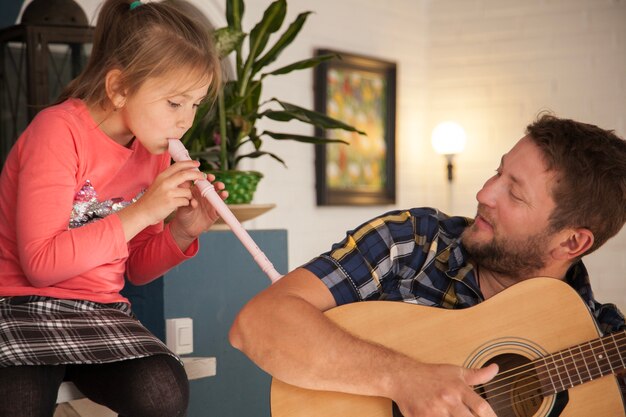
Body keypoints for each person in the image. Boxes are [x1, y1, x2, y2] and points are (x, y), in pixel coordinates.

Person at [229, 114, 626, 417]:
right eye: (497, 172)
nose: (484, 193)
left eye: (515, 194)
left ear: (573, 241)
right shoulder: (412, 242)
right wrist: (404, 378)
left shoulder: (600, 337)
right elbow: (257, 324)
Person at [0, 1, 224, 416]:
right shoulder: (57, 131)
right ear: (119, 88)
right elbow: (41, 265)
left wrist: (182, 230)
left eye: (195, 104)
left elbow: (135, 267)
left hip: (99, 311)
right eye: (175, 103)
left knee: (162, 390)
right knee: (17, 400)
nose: (186, 122)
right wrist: (142, 211)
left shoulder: (152, 151)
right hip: (19, 305)